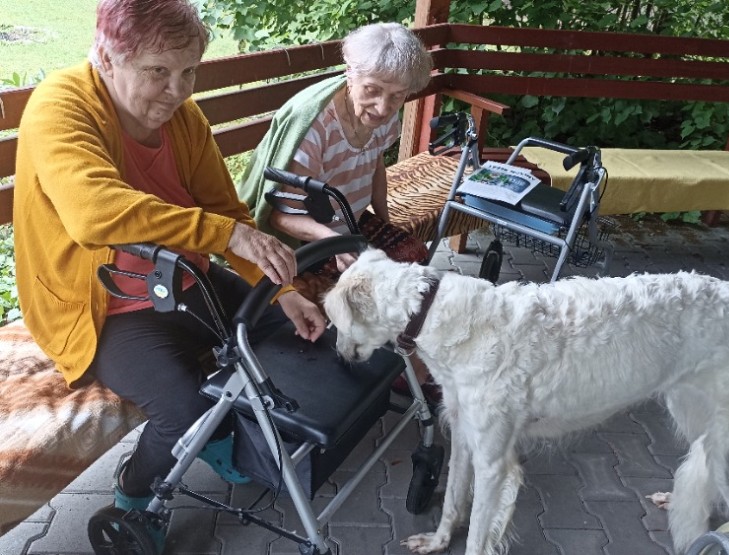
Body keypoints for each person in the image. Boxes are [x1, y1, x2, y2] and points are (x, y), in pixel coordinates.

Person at [13, 0, 326, 548]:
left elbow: (224, 212)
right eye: (158, 72)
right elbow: (93, 211)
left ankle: (234, 436)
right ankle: (137, 495)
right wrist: (227, 236)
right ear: (108, 59)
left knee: (286, 333)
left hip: (182, 278)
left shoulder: (182, 117)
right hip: (100, 303)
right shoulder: (60, 105)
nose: (177, 91)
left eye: (188, 73)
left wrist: (284, 291)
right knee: (183, 408)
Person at [237, 22, 440, 405]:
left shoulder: (382, 114)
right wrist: (332, 242)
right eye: (372, 91)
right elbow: (277, 217)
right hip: (299, 240)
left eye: (396, 97)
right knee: (368, 285)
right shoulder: (315, 126)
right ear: (351, 72)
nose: (383, 107)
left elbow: (376, 161)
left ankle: (402, 365)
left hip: (349, 221)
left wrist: (385, 217)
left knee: (414, 258)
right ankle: (364, 371)